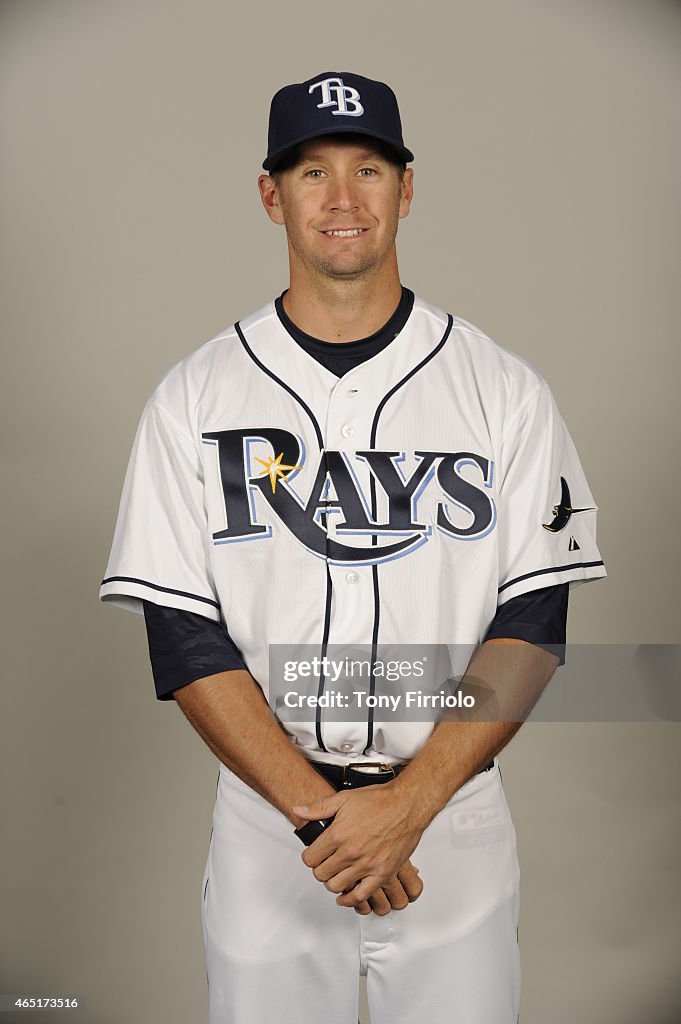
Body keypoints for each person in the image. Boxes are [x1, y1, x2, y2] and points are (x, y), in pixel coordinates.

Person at [99, 71, 607, 1024]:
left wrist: (407, 806)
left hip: (448, 824)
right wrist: (321, 816)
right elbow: (182, 635)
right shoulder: (196, 395)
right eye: (311, 171)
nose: (341, 198)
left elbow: (533, 622)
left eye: (368, 169)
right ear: (270, 195)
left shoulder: (502, 391)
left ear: (405, 191)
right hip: (269, 830)